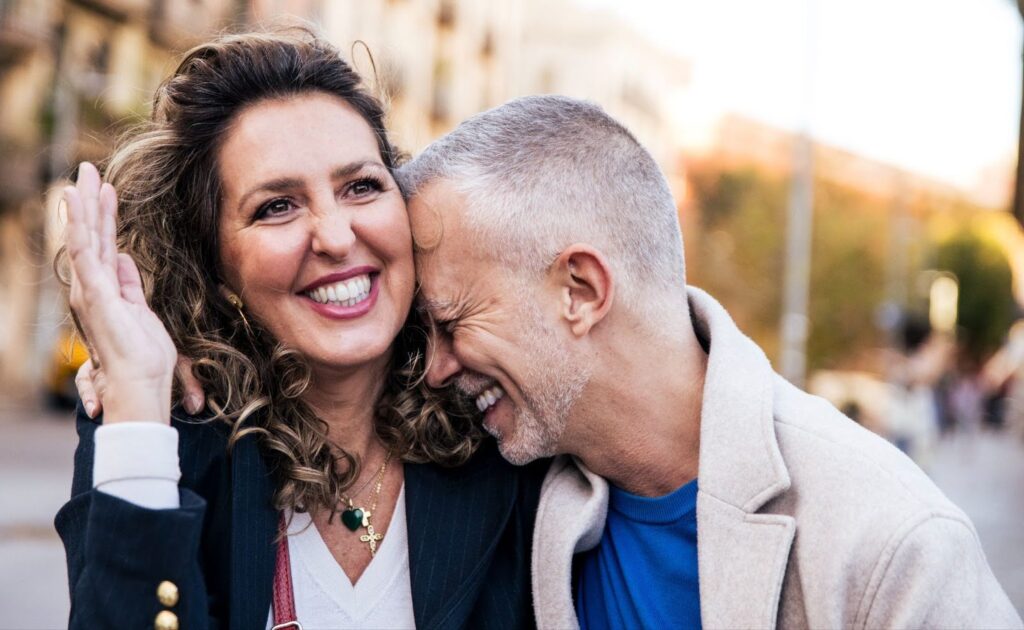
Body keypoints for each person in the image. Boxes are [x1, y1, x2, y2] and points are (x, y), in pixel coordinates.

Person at [397, 95, 1024, 629]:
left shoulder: (892, 540)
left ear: (581, 291)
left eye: (452, 323)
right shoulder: (513, 498)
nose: (437, 369)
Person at [56, 30, 545, 630]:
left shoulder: (504, 417)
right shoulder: (164, 433)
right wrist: (136, 390)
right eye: (276, 206)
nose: (336, 237)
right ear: (215, 265)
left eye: (361, 186)